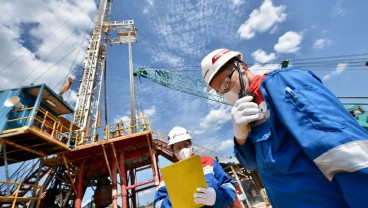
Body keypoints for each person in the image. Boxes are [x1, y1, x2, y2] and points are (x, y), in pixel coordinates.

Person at [200, 49, 368, 208]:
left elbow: (341, 151)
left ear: (242, 68)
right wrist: (240, 136)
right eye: (220, 91)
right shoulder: (249, 112)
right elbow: (251, 165)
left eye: (226, 83)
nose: (225, 93)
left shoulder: (281, 84)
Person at [154, 126, 236, 208]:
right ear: (173, 151)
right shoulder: (167, 176)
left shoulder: (209, 163)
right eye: (178, 147)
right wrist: (172, 201)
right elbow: (158, 204)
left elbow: (229, 186)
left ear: (191, 146)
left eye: (186, 145)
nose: (183, 150)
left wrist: (217, 196)